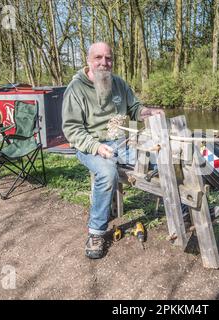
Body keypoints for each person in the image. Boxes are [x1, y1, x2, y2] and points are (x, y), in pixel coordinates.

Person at [62, 42, 164, 259]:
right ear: (89, 60)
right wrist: (96, 147)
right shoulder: (76, 89)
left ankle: (182, 211)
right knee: (107, 173)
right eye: (98, 58)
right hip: (89, 144)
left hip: (120, 142)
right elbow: (71, 129)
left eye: (108, 58)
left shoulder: (118, 83)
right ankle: (96, 232)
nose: (104, 63)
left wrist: (148, 112)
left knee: (160, 158)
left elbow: (134, 108)